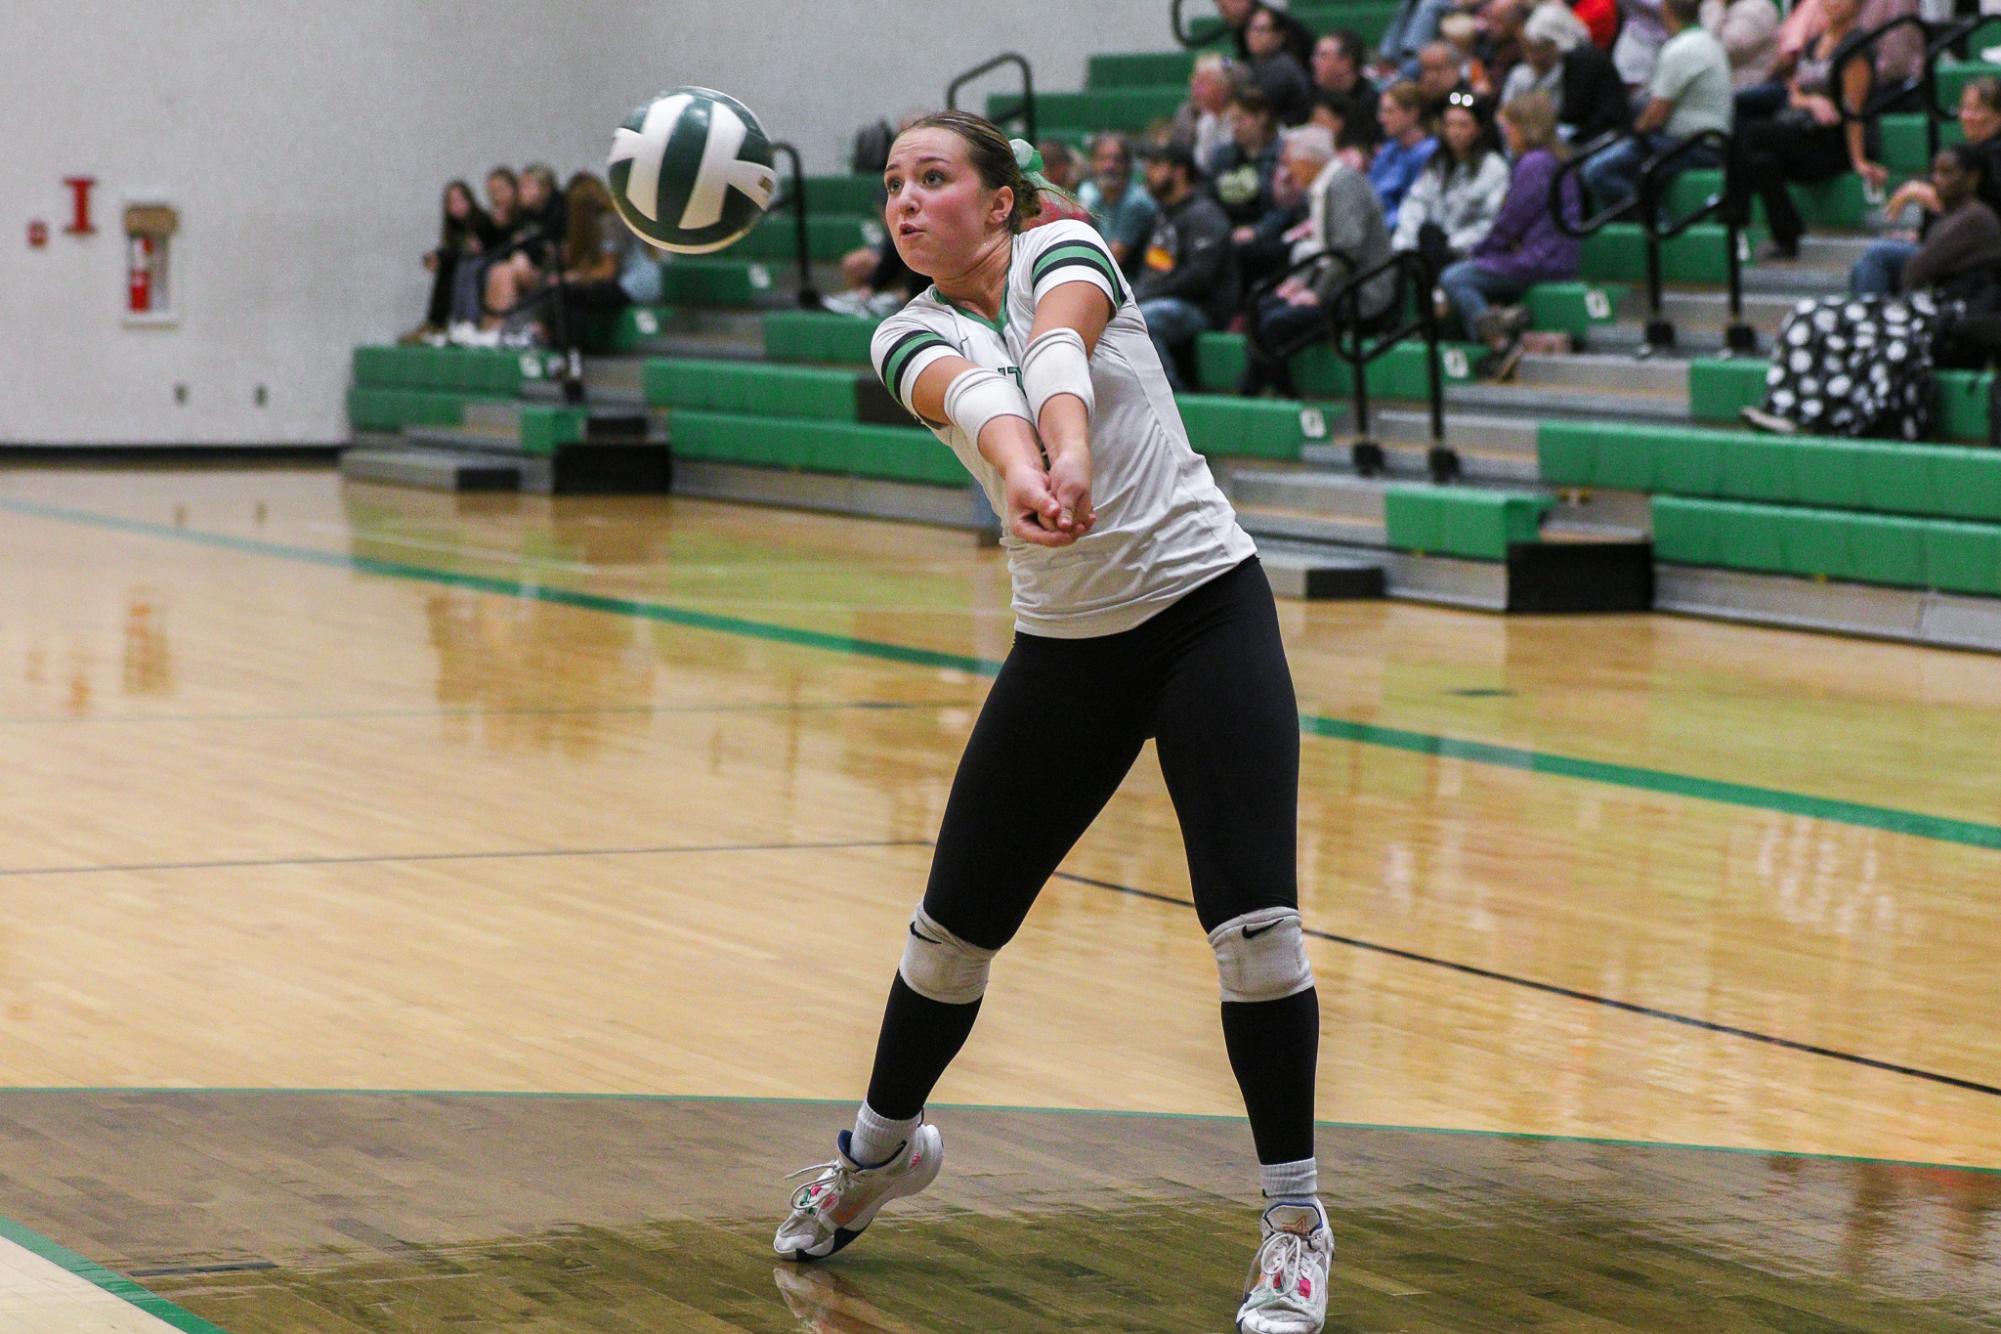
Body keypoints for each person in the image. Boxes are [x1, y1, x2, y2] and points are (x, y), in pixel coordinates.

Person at [773, 109, 1331, 1334]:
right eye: (892, 186)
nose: (907, 203)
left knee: (1256, 932)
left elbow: (1057, 355)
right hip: (1069, 651)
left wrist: (1066, 455)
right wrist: (1027, 475)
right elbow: (981, 398)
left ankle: (1294, 1221)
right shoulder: (903, 330)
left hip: (1203, 617)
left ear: (1005, 199)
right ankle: (876, 1150)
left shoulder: (1069, 246)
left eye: (935, 178)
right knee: (949, 935)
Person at [1240, 124, 1397, 396]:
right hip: (1338, 284)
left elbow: (1346, 250)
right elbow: (1318, 249)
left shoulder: (1344, 184)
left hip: (1362, 292)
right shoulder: (1325, 186)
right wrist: (1300, 282)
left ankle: (1271, 395)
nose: (1287, 171)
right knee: (1260, 307)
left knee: (1275, 324)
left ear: (1307, 161)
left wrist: (1316, 292)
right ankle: (1264, 391)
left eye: (1290, 162)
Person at [1724, 0, 1886, 260]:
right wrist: (1811, 101)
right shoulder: (1815, 42)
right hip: (1807, 134)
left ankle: (1733, 222)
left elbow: (1854, 110)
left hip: (1837, 144)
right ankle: (1786, 238)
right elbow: (1795, 93)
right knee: (1760, 161)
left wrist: (1858, 160)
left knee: (1752, 131)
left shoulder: (1856, 46)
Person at [1440, 90, 1581, 378]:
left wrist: (1479, 251)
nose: (1506, 134)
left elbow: (1511, 222)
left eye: (1510, 127)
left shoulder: (1535, 163)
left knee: (1455, 277)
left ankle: (1501, 344)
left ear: (1526, 126)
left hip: (1543, 258)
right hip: (1552, 253)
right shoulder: (1553, 159)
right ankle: (1505, 323)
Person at [1582, 0, 1733, 218]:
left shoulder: (1681, 48)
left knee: (1597, 171)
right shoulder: (1711, 43)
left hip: (1691, 147)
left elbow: (1654, 116)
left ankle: (1659, 230)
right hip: (1709, 143)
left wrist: (1631, 134)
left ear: (1666, 9)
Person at [1852, 78, 2001, 294]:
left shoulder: (1994, 156)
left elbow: (1980, 213)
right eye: (1964, 107)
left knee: (1878, 256)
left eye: (1977, 109)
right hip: (1954, 248)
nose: (1966, 116)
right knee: (1863, 267)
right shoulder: (1969, 152)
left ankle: (1874, 323)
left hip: (1977, 259)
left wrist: (1918, 192)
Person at [1134, 141, 1242, 387]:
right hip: (1163, 299)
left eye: (1156, 166)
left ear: (1179, 171)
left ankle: (1172, 399)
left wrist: (1145, 293)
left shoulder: (1204, 214)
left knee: (1141, 320)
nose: (1148, 172)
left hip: (1201, 307)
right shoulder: (1163, 213)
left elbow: (1198, 277)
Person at [1393, 91, 1512, 274]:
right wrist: (1406, 244)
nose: (1454, 132)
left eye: (1463, 125)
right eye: (1449, 125)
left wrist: (1451, 245)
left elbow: (1491, 221)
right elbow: (1415, 203)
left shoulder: (1493, 168)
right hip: (1428, 249)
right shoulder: (1436, 165)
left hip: (1468, 254)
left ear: (1479, 129)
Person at [1505, 4, 1631, 143]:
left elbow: (1580, 112)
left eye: (1542, 48)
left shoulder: (1586, 62)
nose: (1536, 57)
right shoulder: (1560, 65)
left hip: (1607, 137)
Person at [404, 180, 498, 344]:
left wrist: (444, 255)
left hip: (486, 268)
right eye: (452, 202)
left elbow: (483, 247)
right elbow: (454, 249)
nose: (457, 206)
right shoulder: (455, 228)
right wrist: (436, 256)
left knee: (463, 265)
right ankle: (437, 322)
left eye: (460, 200)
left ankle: (463, 321)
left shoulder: (482, 220)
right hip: (466, 263)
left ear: (470, 201)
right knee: (448, 265)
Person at [1078, 133, 1159, 277]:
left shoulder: (1135, 202)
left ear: (1128, 165)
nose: (1109, 166)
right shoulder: (1097, 199)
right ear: (1092, 163)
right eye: (1102, 159)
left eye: (1117, 160)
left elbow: (1113, 260)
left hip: (1136, 283)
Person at [1371, 82, 1439, 228]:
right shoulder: (1390, 149)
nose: (1381, 119)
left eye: (1389, 111)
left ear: (1412, 114)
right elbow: (1371, 190)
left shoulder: (1429, 152)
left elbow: (1414, 205)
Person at [1310, 30, 1383, 151]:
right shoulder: (1313, 95)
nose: (1314, 61)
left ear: (1346, 62)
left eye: (1322, 55)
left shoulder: (1372, 105)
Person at [1172, 53, 1239, 173]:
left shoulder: (1240, 119)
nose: (1195, 90)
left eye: (1202, 84)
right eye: (1194, 82)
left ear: (1224, 88)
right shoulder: (1205, 121)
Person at [1700, 0, 1781, 90]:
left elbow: (1720, 50)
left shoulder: (1757, 9)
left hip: (1747, 90)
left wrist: (1713, 5)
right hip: (1729, 86)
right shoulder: (1735, 6)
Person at [1218, 0, 1316, 68]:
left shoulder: (1265, 19)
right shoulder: (1241, 26)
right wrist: (1224, 63)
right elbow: (1243, 64)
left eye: (1224, 9)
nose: (1224, 15)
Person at [1417, 41, 1471, 121]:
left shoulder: (1468, 101)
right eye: (1425, 69)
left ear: (1455, 68)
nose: (1430, 77)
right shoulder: (1419, 101)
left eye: (1438, 69)